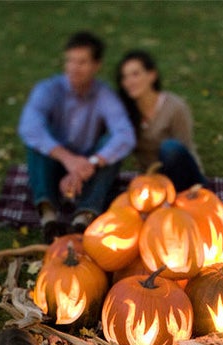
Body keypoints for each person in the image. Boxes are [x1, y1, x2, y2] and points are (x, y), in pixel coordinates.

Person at [18, 31, 136, 243]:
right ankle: (49, 217)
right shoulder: (48, 89)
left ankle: (84, 216)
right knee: (38, 137)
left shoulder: (104, 94)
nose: (73, 67)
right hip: (53, 162)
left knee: (111, 144)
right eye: (70, 61)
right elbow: (29, 126)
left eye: (82, 62)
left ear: (96, 65)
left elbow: (125, 134)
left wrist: (88, 164)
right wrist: (67, 159)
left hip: (87, 167)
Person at [116, 49, 206, 192]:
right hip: (152, 182)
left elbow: (184, 149)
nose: (129, 82)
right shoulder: (126, 112)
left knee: (170, 148)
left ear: (152, 75)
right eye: (125, 77)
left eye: (135, 74)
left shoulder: (175, 107)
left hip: (187, 179)